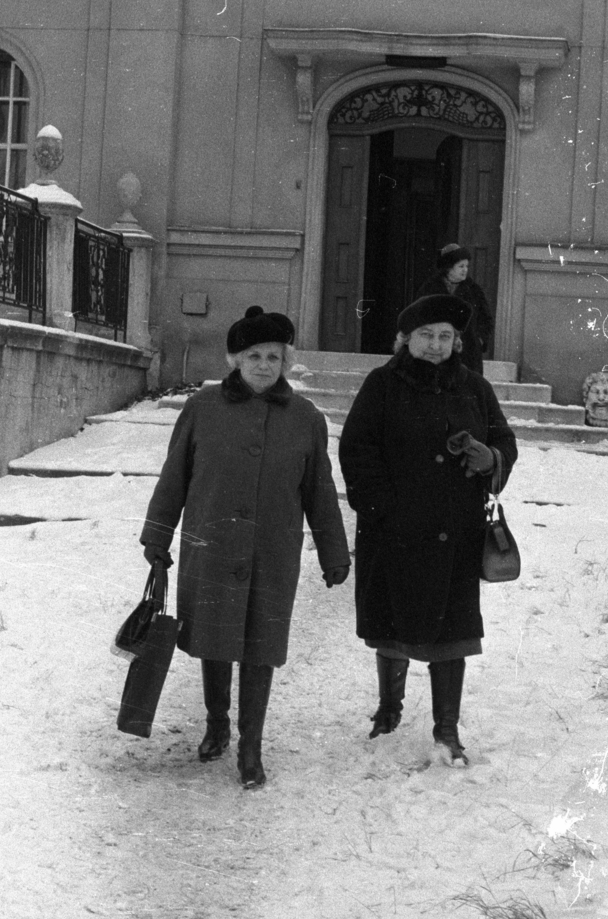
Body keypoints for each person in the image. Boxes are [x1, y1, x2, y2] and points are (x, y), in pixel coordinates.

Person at [140, 305, 350, 789]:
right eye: (253, 355)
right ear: (236, 359)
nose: (263, 365)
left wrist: (334, 551)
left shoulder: (305, 418)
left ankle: (250, 747)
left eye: (273, 357)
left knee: (261, 646)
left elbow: (320, 491)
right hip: (212, 545)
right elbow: (175, 477)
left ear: (285, 361)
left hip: (273, 552)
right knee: (216, 636)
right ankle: (217, 724)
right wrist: (157, 535)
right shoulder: (202, 408)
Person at [338, 293, 518, 765]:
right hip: (393, 531)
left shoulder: (475, 388)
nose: (436, 345)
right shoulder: (382, 384)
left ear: (456, 342)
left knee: (452, 633)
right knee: (391, 625)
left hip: (455, 532)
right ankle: (388, 710)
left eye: (445, 337)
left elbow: (503, 437)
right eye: (426, 336)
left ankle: (446, 729)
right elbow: (357, 450)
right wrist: (381, 507)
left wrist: (492, 458)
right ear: (406, 340)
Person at [415, 243, 494, 374]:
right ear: (449, 268)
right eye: (461, 266)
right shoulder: (430, 288)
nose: (465, 270)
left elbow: (486, 319)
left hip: (468, 353)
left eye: (467, 266)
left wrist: (479, 340)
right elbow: (418, 315)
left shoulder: (474, 290)